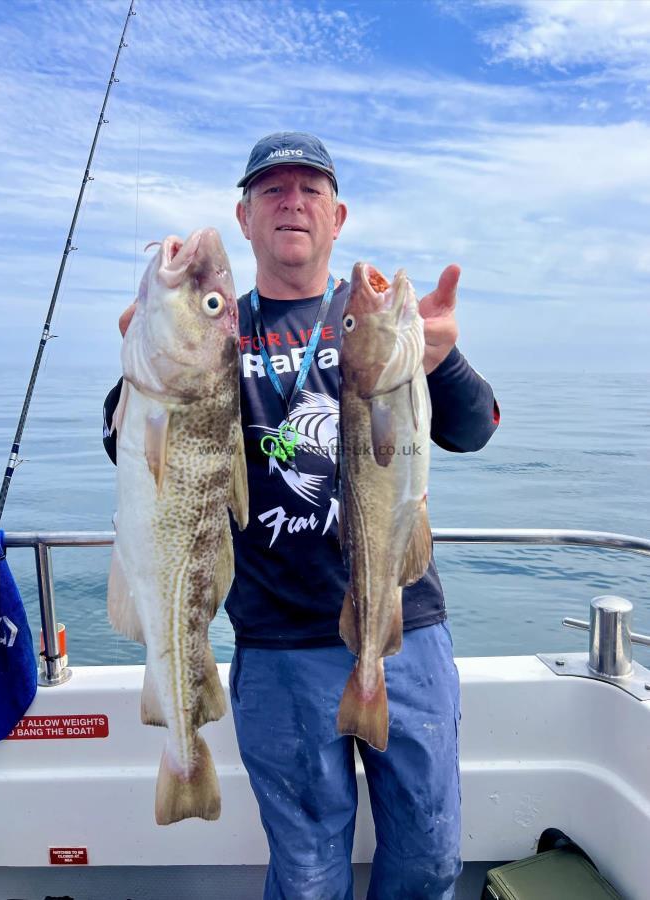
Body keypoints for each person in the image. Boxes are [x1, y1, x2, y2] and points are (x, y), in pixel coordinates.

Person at [104, 132, 499, 899]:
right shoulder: (219, 332)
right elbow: (132, 456)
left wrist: (439, 359)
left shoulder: (371, 322)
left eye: (310, 189)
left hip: (401, 626)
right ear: (244, 216)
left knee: (428, 856)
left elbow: (475, 429)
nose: (292, 202)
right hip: (278, 640)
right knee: (309, 874)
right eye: (273, 190)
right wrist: (140, 365)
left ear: (337, 215)